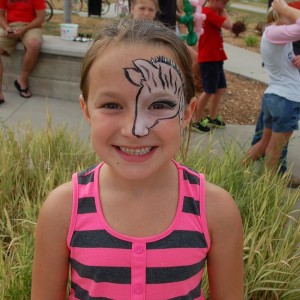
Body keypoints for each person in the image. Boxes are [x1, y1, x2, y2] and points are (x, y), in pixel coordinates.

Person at [31, 19, 244, 299]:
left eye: (160, 105)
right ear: (86, 110)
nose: (135, 129)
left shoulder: (216, 211)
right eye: (111, 105)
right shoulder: (63, 209)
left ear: (188, 112)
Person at [244, 0, 300, 184]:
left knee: (263, 145)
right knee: (274, 153)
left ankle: (233, 172)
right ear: (280, 15)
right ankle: (265, 194)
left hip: (275, 97)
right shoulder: (275, 32)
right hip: (286, 100)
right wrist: (285, 8)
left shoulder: (274, 34)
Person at [192, 0, 232, 133]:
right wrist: (224, 12)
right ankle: (195, 121)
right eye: (223, 3)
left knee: (220, 88)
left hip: (216, 56)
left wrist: (221, 9)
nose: (223, 6)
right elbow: (229, 25)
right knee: (209, 90)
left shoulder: (208, 12)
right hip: (209, 58)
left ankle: (212, 118)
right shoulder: (208, 13)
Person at [0, 0, 45, 103]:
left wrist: (23, 29)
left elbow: (40, 18)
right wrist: (7, 28)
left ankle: (22, 79)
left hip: (31, 27)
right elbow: (0, 15)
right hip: (10, 26)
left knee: (34, 45)